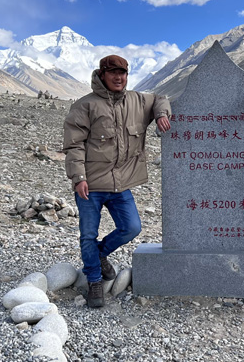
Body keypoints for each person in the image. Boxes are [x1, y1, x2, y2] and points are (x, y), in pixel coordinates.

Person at [63, 54, 171, 308]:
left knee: (131, 227)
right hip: (90, 184)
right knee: (88, 235)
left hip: (121, 184)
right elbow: (74, 145)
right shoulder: (85, 105)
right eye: (112, 73)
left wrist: (161, 114)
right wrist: (78, 178)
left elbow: (159, 98)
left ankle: (99, 255)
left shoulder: (136, 100)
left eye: (122, 73)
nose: (118, 77)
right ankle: (94, 280)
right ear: (102, 75)